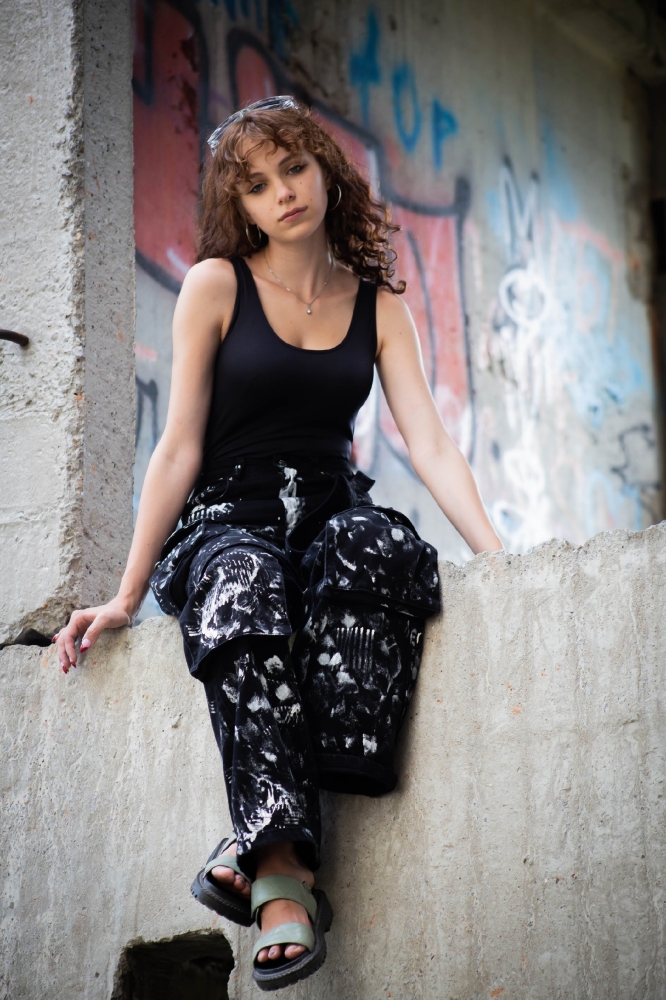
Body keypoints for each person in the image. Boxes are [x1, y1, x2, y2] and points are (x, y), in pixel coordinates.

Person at [55, 96, 503, 991]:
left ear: (326, 172)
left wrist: (500, 559)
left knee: (380, 545)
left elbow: (429, 444)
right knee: (245, 581)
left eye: (294, 168)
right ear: (242, 206)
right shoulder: (216, 285)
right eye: (257, 185)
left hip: (329, 517)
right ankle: (282, 879)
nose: (283, 193)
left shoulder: (378, 305)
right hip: (226, 526)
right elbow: (176, 448)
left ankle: (260, 827)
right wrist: (128, 593)